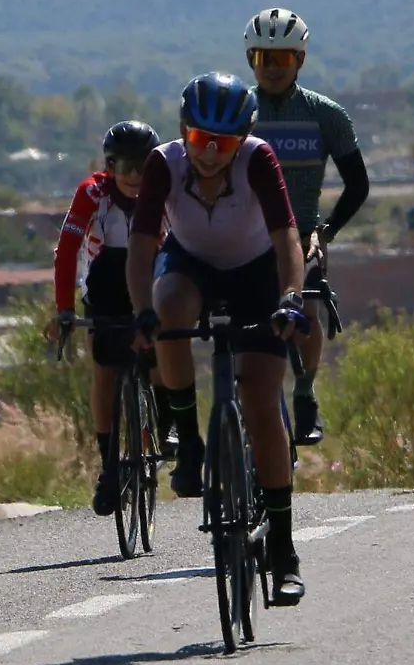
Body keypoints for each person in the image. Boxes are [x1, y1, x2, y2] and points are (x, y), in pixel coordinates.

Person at [125, 72, 310, 605]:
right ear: (184, 132)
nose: (209, 154)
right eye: (200, 140)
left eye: (222, 143)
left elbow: (286, 238)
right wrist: (141, 311)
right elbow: (141, 247)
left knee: (259, 402)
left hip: (256, 274)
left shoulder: (259, 160)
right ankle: (189, 443)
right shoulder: (164, 163)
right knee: (169, 309)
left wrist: (291, 297)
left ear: (241, 140)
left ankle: (284, 547)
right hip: (193, 266)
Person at [244, 7, 370, 445]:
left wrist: (326, 232)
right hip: (244, 236)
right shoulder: (239, 111)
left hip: (301, 234)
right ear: (251, 61)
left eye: (283, 59)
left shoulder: (325, 115)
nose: (273, 68)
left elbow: (358, 183)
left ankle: (304, 393)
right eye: (264, 59)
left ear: (300, 60)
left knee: (308, 305)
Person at [50, 119, 175, 517]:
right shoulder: (92, 193)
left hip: (148, 275)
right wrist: (64, 309)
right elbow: (67, 250)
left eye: (144, 167)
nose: (136, 177)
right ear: (110, 168)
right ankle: (108, 468)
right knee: (104, 370)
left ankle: (168, 423)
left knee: (160, 355)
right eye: (126, 168)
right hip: (104, 282)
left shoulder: (164, 192)